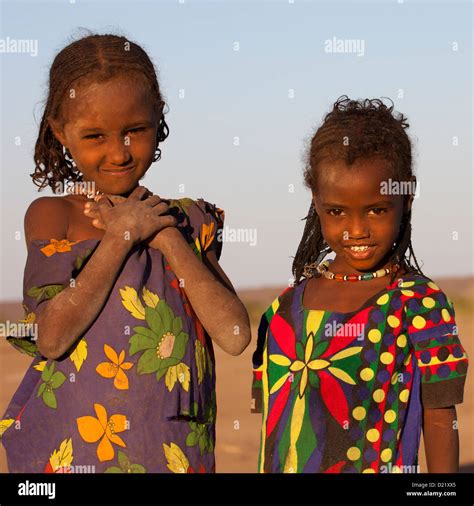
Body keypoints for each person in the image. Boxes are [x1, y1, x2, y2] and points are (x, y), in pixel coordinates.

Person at [1, 33, 250, 473]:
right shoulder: (52, 215)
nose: (118, 152)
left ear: (159, 118)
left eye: (135, 130)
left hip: (170, 450)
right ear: (61, 132)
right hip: (74, 448)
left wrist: (167, 238)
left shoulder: (188, 221)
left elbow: (233, 334)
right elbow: (52, 337)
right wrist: (121, 237)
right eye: (95, 135)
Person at [251, 96, 468, 473]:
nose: (357, 230)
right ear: (316, 202)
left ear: (406, 195)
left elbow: (439, 417)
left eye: (377, 209)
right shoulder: (283, 310)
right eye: (336, 211)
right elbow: (275, 431)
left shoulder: (418, 303)